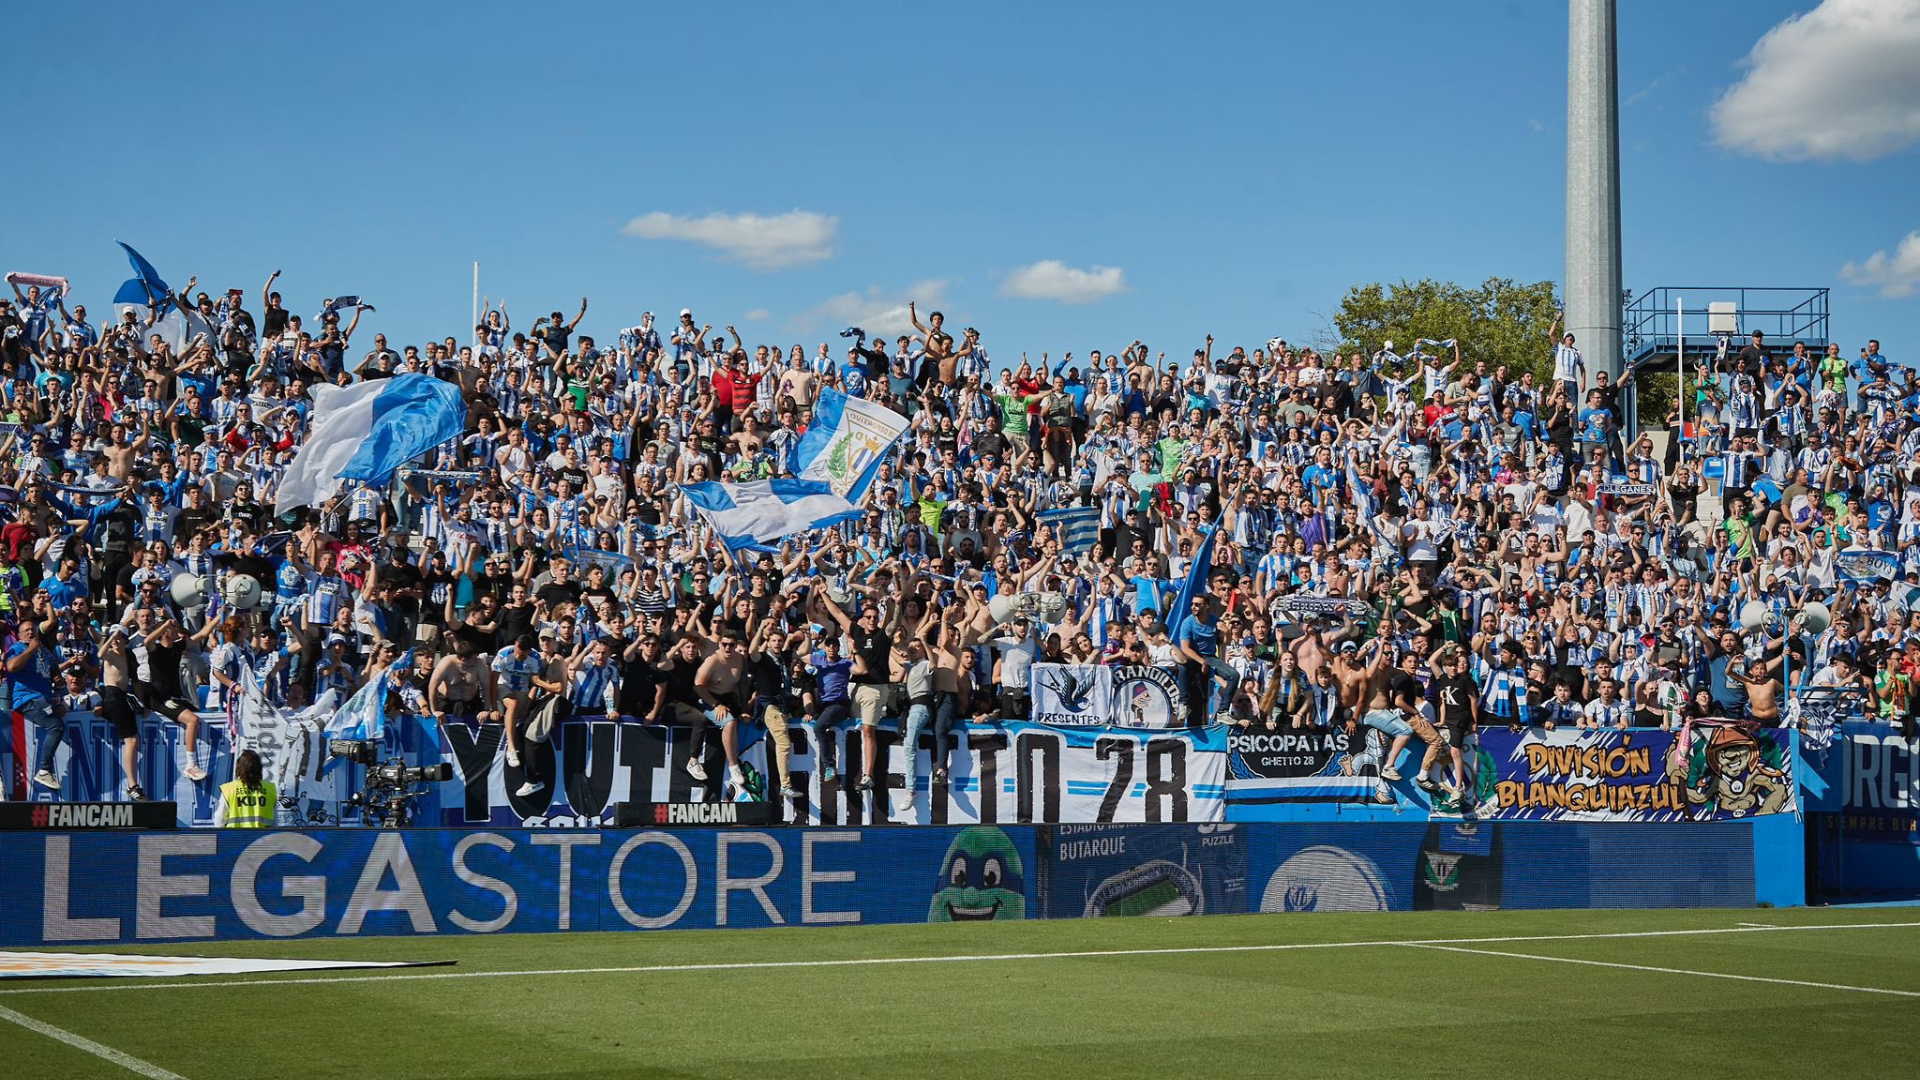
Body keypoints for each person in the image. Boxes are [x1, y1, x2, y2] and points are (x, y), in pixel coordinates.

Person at [214, 748, 276, 828]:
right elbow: (275, 822)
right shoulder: (270, 789)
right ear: (259, 768)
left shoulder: (229, 789)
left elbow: (219, 820)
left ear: (239, 768)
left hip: (235, 835)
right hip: (264, 835)